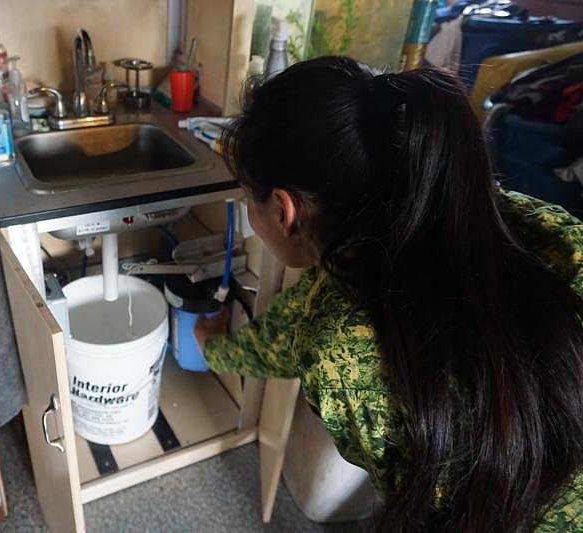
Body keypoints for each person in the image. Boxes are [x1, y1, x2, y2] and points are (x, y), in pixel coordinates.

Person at [194, 56, 583, 531]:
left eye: (246, 198)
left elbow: (271, 346)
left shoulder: (341, 339)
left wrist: (211, 346)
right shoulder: (544, 224)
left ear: (283, 210)